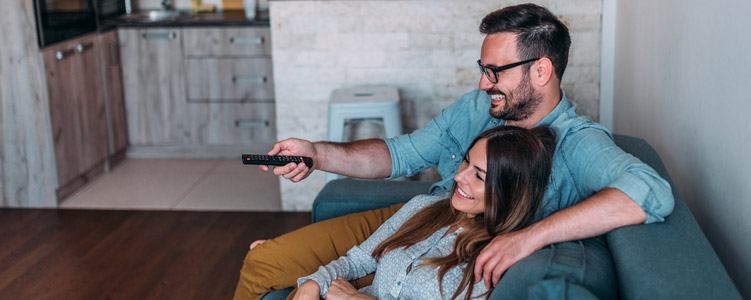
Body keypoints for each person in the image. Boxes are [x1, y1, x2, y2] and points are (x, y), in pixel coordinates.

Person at [234, 3, 674, 300]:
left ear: (541, 70)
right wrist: (315, 154)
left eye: (494, 72)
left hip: (453, 256)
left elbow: (650, 192)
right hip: (418, 219)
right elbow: (401, 154)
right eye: (483, 70)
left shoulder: (577, 141)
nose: (484, 83)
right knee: (264, 260)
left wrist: (531, 236)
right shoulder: (478, 106)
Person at [293, 126, 556, 300]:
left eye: (479, 176)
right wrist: (314, 283)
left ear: (508, 192)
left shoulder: (496, 255)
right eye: (466, 161)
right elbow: (359, 260)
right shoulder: (423, 207)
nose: (460, 177)